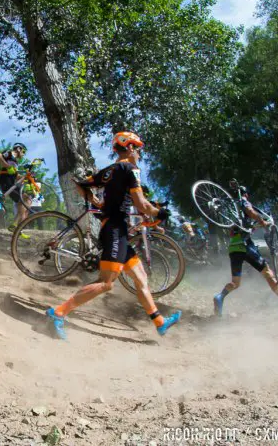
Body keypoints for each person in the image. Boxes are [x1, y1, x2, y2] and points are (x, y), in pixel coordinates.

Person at [45, 131, 181, 340]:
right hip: (115, 230)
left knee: (140, 277)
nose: (138, 154)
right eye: (137, 149)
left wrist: (96, 202)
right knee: (106, 283)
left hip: (119, 230)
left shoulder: (110, 170)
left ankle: (159, 322)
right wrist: (159, 213)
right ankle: (58, 312)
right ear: (129, 148)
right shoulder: (130, 169)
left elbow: (81, 184)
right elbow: (141, 204)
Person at [213, 185, 278, 316]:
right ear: (246, 194)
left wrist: (262, 224)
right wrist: (261, 220)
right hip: (245, 245)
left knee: (235, 282)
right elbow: (250, 211)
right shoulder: (243, 201)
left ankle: (220, 297)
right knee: (268, 273)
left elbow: (248, 225)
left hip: (233, 247)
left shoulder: (234, 211)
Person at [0, 142, 31, 235]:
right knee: (26, 200)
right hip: (6, 182)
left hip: (11, 184)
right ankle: (15, 225)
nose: (23, 154)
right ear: (19, 149)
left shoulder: (16, 162)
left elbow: (16, 175)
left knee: (26, 200)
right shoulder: (9, 153)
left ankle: (15, 225)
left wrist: (26, 177)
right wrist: (7, 166)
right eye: (23, 151)